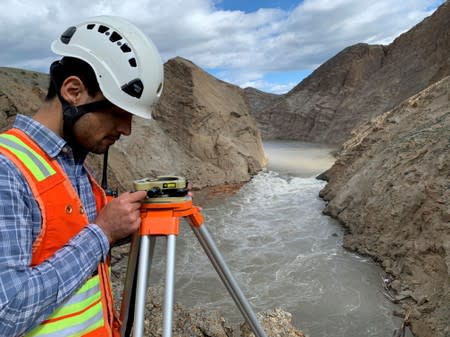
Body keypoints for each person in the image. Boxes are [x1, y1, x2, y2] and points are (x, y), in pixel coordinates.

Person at [0, 16, 164, 336]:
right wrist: (101, 234)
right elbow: (6, 312)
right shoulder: (7, 170)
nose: (126, 129)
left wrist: (148, 211)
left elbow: (71, 237)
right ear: (74, 91)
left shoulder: (74, 166)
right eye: (119, 112)